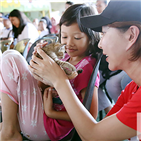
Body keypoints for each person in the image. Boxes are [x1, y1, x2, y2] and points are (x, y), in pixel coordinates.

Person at [28, 0, 141, 140]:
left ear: (131, 35)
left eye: (104, 33)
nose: (99, 44)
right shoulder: (133, 89)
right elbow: (98, 132)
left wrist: (60, 81)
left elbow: (93, 136)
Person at [0, 4, 100, 141]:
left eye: (77, 38)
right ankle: (10, 126)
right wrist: (39, 61)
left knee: (11, 57)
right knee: (10, 57)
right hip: (42, 115)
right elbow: (42, 86)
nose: (69, 43)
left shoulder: (87, 67)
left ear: (91, 37)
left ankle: (10, 130)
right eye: (64, 37)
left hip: (49, 127)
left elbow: (91, 115)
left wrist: (51, 112)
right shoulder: (65, 58)